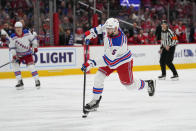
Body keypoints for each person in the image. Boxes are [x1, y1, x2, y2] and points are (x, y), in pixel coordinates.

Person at [81, 18, 156, 112]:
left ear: (116, 29)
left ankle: (148, 84)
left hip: (123, 62)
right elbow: (101, 28)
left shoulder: (117, 41)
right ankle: (95, 101)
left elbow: (108, 60)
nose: (107, 30)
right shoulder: (110, 26)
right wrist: (91, 32)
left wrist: (91, 63)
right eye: (107, 28)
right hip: (111, 59)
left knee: (129, 85)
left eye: (110, 29)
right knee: (98, 77)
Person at [9, 21, 41, 90]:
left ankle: (37, 80)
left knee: (31, 67)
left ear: (22, 28)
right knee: (15, 66)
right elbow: (11, 47)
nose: (18, 29)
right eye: (16, 28)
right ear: (15, 28)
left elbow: (33, 39)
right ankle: (20, 82)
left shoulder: (27, 33)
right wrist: (14, 55)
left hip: (28, 54)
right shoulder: (12, 37)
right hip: (18, 56)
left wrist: (35, 47)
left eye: (19, 28)